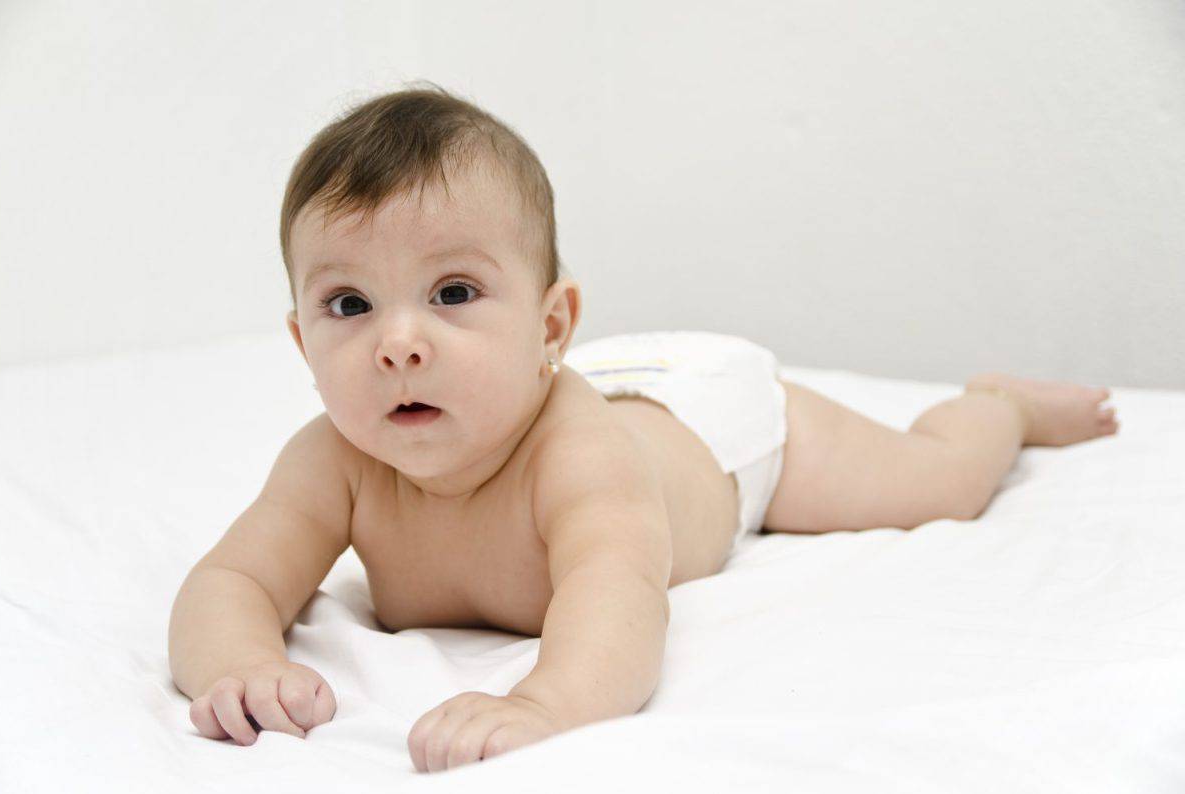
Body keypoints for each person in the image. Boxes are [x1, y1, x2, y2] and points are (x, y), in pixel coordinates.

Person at [167, 81, 1120, 773]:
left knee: (936, 483)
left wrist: (544, 704)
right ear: (301, 340)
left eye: (453, 292)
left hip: (710, 425)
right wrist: (240, 665)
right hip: (609, 383)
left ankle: (997, 406)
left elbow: (620, 596)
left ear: (548, 327)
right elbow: (231, 579)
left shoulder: (579, 456)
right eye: (349, 306)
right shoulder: (332, 461)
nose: (399, 344)